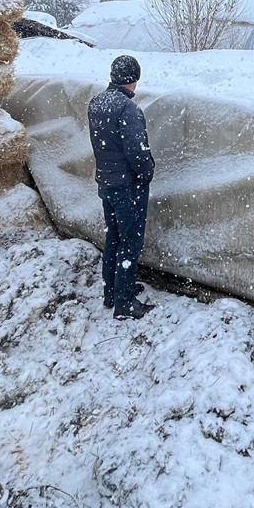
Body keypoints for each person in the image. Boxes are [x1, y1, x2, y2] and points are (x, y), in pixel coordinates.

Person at [88, 54, 156, 320]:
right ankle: (125, 302)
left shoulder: (97, 102)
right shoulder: (128, 109)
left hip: (106, 181)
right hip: (127, 186)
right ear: (134, 79)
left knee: (113, 237)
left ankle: (112, 291)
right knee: (130, 240)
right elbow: (136, 152)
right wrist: (147, 172)